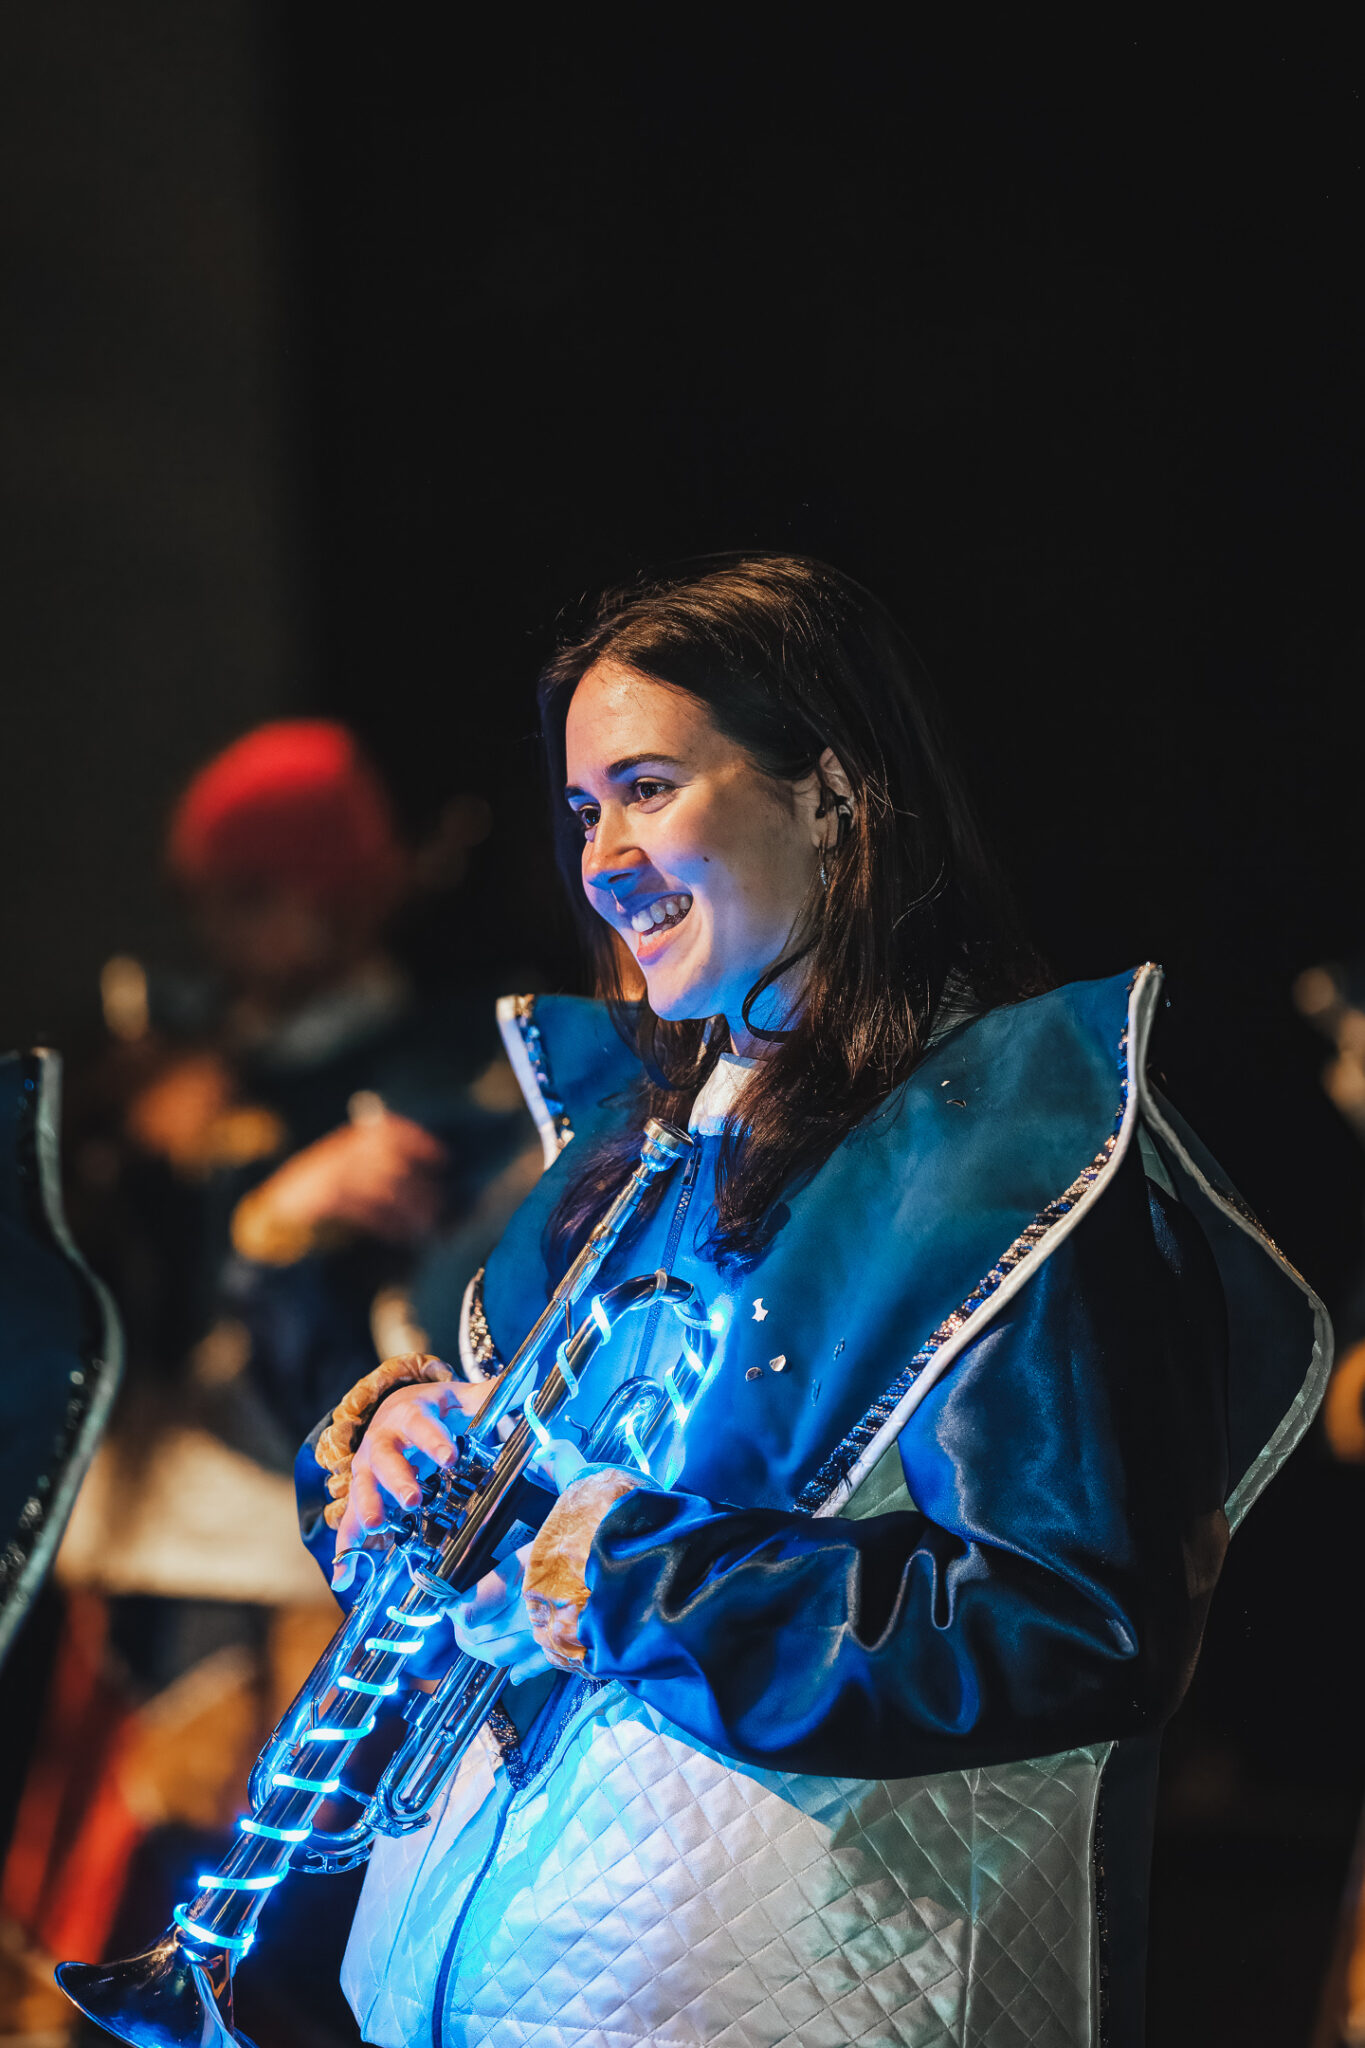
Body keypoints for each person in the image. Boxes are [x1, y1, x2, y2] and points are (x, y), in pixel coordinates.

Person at [299, 557, 1328, 2048]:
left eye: (649, 789)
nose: (600, 859)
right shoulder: (637, 1142)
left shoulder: (1020, 1156)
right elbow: (536, 1550)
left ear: (832, 793)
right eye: (582, 810)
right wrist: (405, 1464)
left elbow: (1076, 1625)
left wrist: (639, 1578)